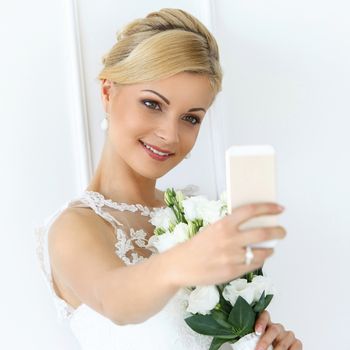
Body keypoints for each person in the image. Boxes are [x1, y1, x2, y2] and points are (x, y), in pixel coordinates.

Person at [35, 8, 302, 350]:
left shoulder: (197, 215)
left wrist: (255, 341)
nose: (169, 135)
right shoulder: (75, 228)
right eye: (152, 104)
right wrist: (184, 261)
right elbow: (115, 299)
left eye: (190, 118)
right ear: (107, 92)